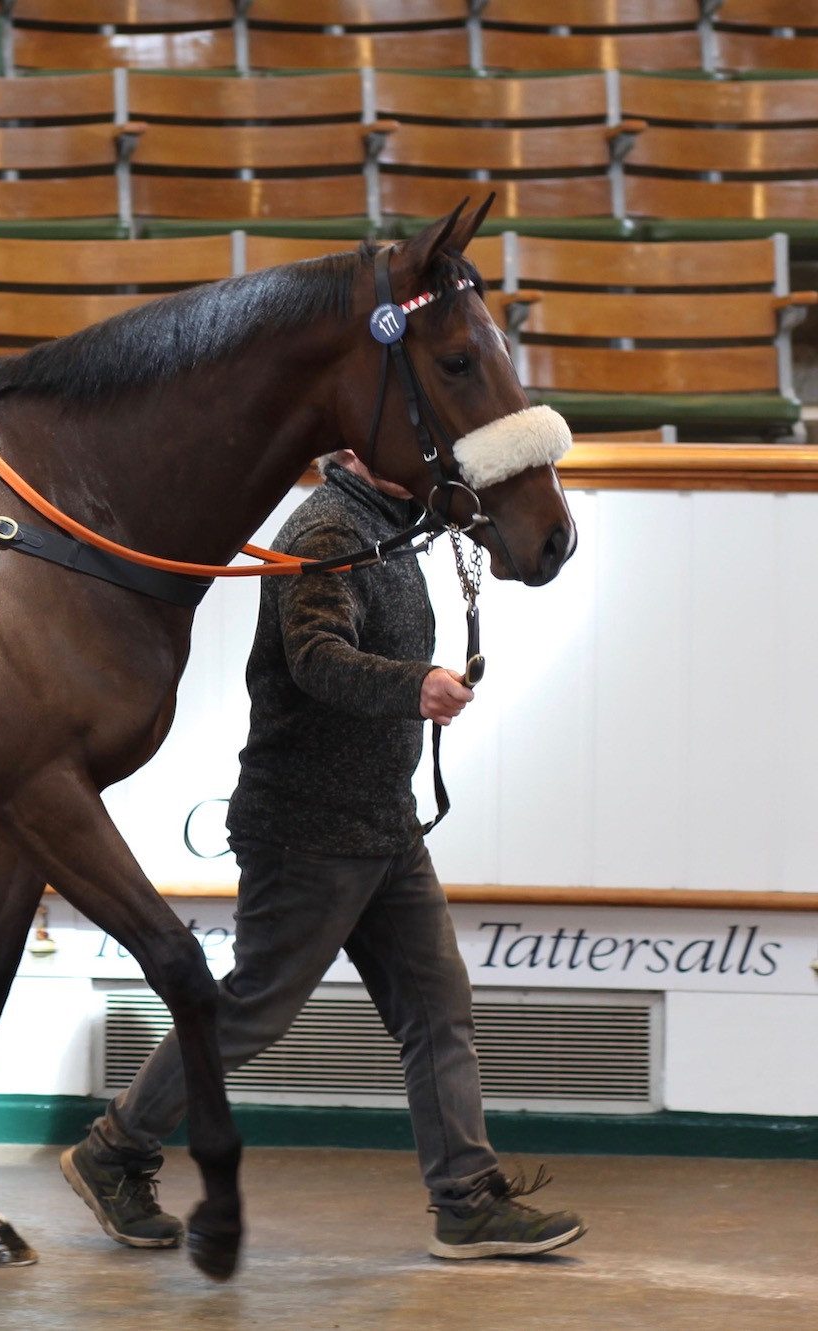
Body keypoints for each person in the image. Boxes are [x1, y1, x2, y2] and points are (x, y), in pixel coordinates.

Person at [60, 450, 585, 1261]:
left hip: (382, 826)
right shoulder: (329, 528)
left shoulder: (394, 525)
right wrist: (412, 686)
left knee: (437, 1011)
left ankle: (468, 1201)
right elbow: (315, 657)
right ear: (353, 454)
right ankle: (112, 1149)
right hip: (306, 831)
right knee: (249, 1011)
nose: (429, 452)